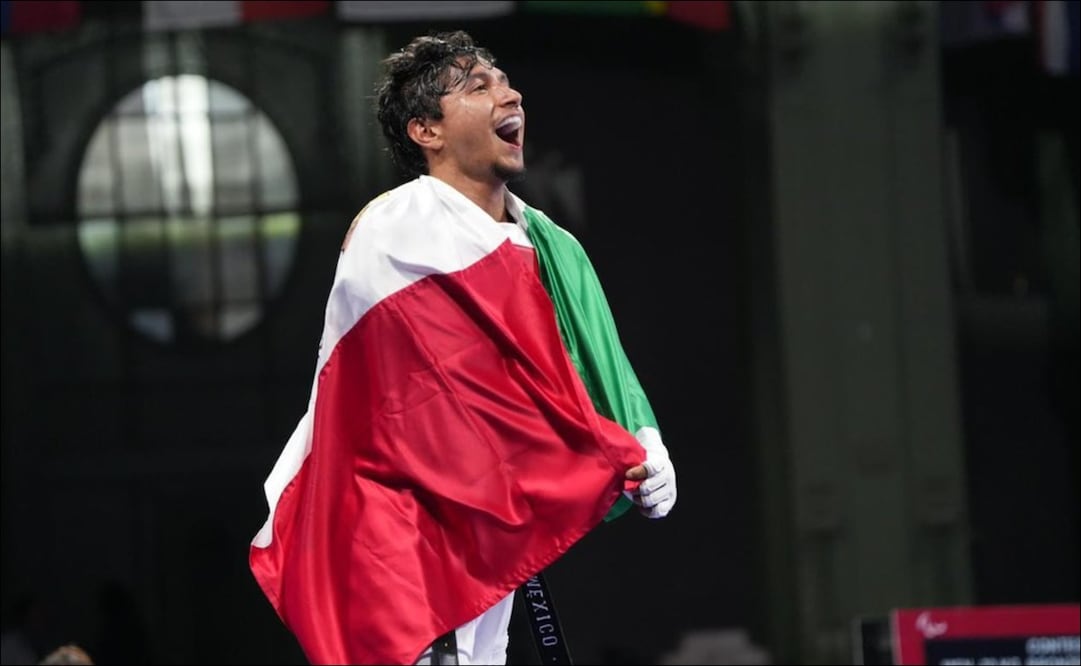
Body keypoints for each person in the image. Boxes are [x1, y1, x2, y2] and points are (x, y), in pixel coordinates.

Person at [249, 30, 677, 665]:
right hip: (402, 535)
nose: (512, 95)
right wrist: (593, 453)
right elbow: (427, 408)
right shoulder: (397, 232)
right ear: (427, 131)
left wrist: (642, 441)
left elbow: (591, 361)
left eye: (505, 82)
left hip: (490, 528)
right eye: (479, 87)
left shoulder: (551, 247)